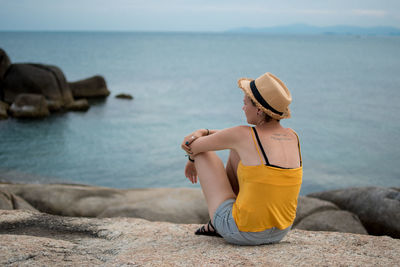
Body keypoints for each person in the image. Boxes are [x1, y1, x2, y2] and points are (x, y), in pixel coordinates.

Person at [181, 72, 302, 246]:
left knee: (203, 153)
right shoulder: (293, 136)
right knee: (237, 150)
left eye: (245, 103)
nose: (243, 108)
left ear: (259, 110)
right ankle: (228, 216)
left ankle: (217, 224)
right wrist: (207, 133)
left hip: (242, 232)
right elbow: (230, 138)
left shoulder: (243, 135)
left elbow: (189, 144)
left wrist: (193, 157)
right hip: (280, 232)